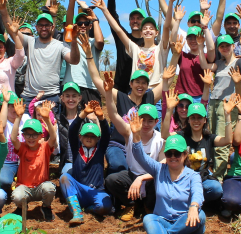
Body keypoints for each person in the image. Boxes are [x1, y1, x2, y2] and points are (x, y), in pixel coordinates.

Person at [84, 31, 170, 177]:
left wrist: (175, 57)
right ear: (131, 83)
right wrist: (89, 54)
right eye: (137, 82)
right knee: (119, 166)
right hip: (119, 144)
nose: (140, 86)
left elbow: (168, 76)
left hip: (141, 145)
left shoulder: (150, 97)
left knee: (147, 166)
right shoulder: (121, 97)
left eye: (144, 83)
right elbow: (96, 79)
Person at [104, 77, 164, 222]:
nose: (146, 124)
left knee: (161, 182)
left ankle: (149, 207)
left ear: (157, 122)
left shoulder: (161, 139)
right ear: (136, 118)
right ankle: (131, 205)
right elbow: (113, 115)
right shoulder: (128, 133)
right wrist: (108, 92)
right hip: (132, 176)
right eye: (143, 119)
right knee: (112, 180)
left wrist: (141, 179)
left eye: (151, 120)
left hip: (150, 178)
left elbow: (162, 168)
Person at [162, 92, 233, 214]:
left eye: (199, 118)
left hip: (203, 180)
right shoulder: (182, 137)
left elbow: (228, 140)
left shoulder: (209, 138)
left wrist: (227, 115)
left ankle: (193, 202)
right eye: (193, 118)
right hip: (184, 180)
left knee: (216, 188)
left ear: (205, 120)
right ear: (188, 120)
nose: (196, 121)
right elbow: (165, 135)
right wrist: (169, 110)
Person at [132, 117, 205, 234]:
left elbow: (198, 194)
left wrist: (194, 206)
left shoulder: (193, 175)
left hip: (184, 221)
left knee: (200, 215)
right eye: (169, 153)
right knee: (148, 219)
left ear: (185, 155)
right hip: (162, 220)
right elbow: (140, 156)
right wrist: (136, 135)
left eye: (177, 153)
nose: (172, 157)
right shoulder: (158, 169)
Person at [13, 0, 81, 106]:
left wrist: (74, 40)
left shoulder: (61, 44)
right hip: (29, 96)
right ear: (36, 27)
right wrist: (2, 10)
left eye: (47, 25)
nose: (43, 28)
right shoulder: (30, 41)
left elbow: (74, 60)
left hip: (51, 96)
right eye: (40, 25)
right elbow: (12, 31)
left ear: (53, 27)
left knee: (50, 124)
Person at [206, 32, 241, 180]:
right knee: (212, 137)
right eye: (222, 46)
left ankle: (219, 178)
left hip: (228, 104)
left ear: (233, 46)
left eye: (228, 45)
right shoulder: (219, 64)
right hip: (213, 102)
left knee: (223, 142)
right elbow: (204, 65)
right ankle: (211, 173)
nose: (225, 48)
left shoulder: (239, 62)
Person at [59, 101, 113, 224]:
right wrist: (83, 113)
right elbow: (72, 130)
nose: (89, 138)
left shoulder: (100, 150)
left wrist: (101, 117)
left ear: (98, 139)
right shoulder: (76, 148)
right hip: (79, 190)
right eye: (86, 135)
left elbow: (107, 133)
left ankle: (89, 209)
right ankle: (77, 212)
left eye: (93, 136)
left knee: (105, 206)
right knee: (64, 177)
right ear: (80, 137)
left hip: (96, 191)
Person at [10, 102, 59, 220]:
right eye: (27, 135)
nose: (31, 138)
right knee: (17, 196)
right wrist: (18, 117)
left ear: (41, 135)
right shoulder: (22, 148)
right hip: (25, 188)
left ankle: (46, 207)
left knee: (50, 188)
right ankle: (22, 207)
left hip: (40, 187)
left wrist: (47, 119)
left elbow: (53, 137)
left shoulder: (45, 147)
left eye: (34, 135)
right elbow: (13, 138)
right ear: (24, 136)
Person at [104, 0, 146, 94]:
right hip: (120, 90)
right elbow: (112, 16)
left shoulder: (149, 43)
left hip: (140, 90)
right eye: (132, 18)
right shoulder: (122, 38)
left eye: (139, 18)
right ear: (129, 21)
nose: (135, 21)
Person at [64, 0, 105, 104]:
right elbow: (68, 23)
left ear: (90, 25)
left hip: (92, 87)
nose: (82, 25)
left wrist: (94, 18)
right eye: (79, 23)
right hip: (72, 86)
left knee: (93, 121)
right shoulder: (70, 40)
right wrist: (72, 1)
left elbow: (100, 42)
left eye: (86, 23)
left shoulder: (93, 42)